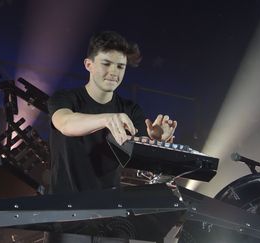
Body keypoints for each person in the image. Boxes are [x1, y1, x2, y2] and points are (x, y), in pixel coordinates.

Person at [47, 30, 177, 194]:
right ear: (89, 65)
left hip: (108, 208)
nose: (114, 72)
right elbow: (66, 123)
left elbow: (141, 160)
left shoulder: (131, 110)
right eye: (106, 64)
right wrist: (106, 119)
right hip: (63, 208)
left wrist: (156, 143)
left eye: (120, 66)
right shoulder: (64, 98)